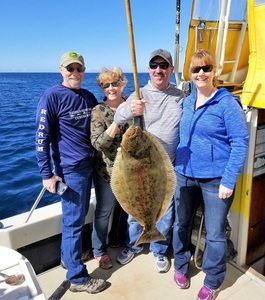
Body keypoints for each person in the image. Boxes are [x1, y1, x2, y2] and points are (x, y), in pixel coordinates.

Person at [172, 49, 249, 300]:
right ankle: (181, 266)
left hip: (216, 180)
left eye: (206, 68)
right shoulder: (186, 102)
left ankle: (213, 280)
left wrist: (228, 180)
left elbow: (240, 142)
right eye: (196, 69)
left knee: (215, 234)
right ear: (190, 74)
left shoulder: (226, 103)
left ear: (214, 71)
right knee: (181, 224)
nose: (201, 73)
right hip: (184, 175)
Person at [35, 51, 106, 294]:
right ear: (61, 70)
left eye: (79, 69)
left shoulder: (87, 96)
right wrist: (47, 174)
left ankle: (69, 258)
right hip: (70, 170)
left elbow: (104, 116)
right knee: (74, 222)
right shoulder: (51, 96)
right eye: (70, 68)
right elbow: (41, 138)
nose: (75, 73)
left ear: (84, 71)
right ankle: (77, 278)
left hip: (90, 164)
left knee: (78, 216)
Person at [114, 49, 184, 273]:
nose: (159, 70)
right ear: (149, 69)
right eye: (154, 65)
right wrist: (130, 109)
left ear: (171, 70)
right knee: (135, 213)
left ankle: (159, 251)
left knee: (164, 213)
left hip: (166, 168)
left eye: (164, 66)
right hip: (139, 168)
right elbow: (118, 117)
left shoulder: (181, 97)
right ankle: (134, 245)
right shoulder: (138, 94)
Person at [90, 67, 131, 269]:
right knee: (104, 211)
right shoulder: (98, 111)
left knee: (126, 208)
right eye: (106, 85)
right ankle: (99, 250)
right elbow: (98, 144)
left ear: (122, 84)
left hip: (130, 172)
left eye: (115, 83)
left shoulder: (132, 106)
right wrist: (116, 122)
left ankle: (118, 239)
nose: (111, 88)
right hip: (106, 172)